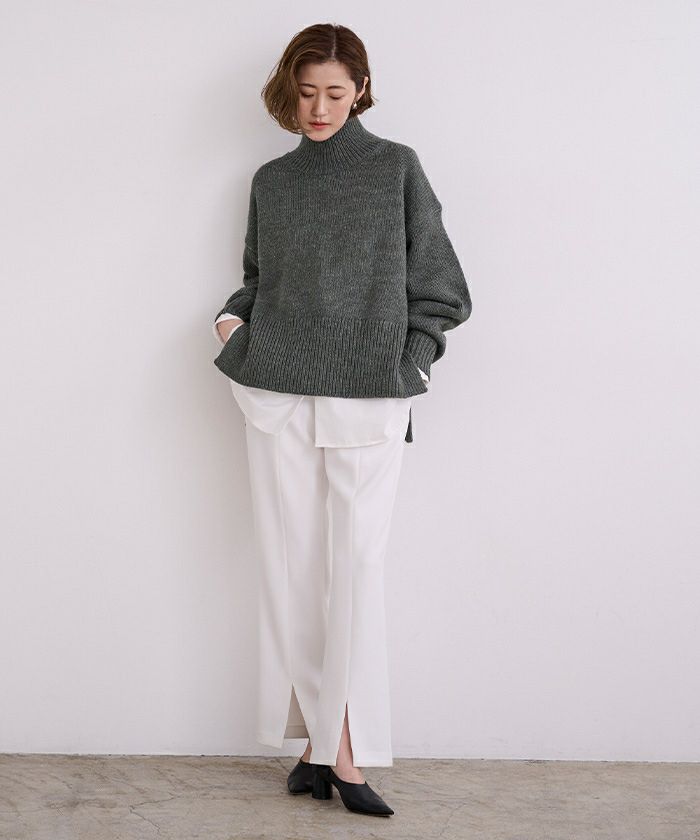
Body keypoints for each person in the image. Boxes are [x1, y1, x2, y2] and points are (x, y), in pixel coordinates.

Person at [212, 23, 472, 818]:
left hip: (369, 394)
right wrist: (231, 325)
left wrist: (412, 363)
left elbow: (441, 287)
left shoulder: (395, 168)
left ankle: (335, 751)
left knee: (353, 571)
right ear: (288, 93)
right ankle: (324, 750)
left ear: (360, 89)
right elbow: (258, 279)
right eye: (306, 92)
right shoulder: (272, 181)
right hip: (277, 392)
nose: (319, 108)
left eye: (334, 91)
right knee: (293, 573)